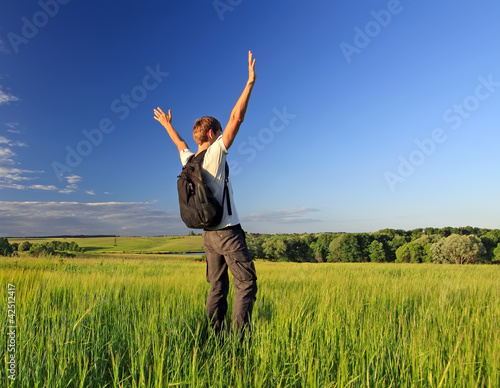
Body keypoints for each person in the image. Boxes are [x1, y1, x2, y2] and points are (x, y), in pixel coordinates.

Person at [153, 51, 258, 337]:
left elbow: (180, 143)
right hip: (227, 231)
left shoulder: (190, 161)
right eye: (220, 132)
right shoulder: (213, 155)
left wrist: (166, 124)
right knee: (246, 284)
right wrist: (249, 83)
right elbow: (237, 117)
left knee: (217, 286)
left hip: (206, 234)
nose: (223, 134)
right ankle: (239, 340)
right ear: (212, 135)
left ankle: (214, 335)